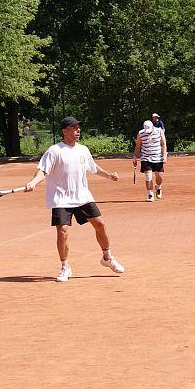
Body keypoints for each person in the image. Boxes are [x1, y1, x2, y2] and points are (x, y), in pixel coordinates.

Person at [25, 116, 125, 282]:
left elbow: (93, 167)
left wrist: (109, 175)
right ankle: (65, 267)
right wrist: (33, 182)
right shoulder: (54, 150)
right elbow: (43, 170)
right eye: (74, 128)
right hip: (61, 198)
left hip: (82, 196)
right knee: (62, 231)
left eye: (78, 127)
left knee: (100, 224)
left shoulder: (83, 150)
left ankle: (107, 258)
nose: (78, 130)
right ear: (65, 131)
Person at [133, 120, 167, 202]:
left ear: (152, 127)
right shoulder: (141, 133)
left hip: (158, 157)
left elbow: (163, 143)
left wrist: (164, 155)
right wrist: (135, 157)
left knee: (159, 175)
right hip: (146, 158)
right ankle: (150, 194)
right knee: (148, 176)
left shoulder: (159, 131)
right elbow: (138, 146)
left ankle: (158, 187)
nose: (148, 133)